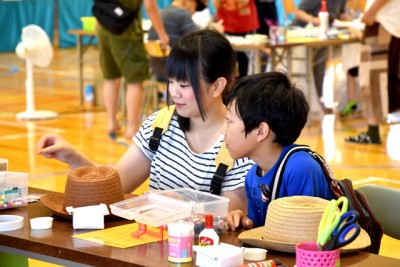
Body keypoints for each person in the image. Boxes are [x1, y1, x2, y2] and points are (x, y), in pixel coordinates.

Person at [37, 29, 254, 212]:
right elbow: (114, 187)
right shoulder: (160, 125)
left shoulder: (240, 141)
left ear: (217, 86)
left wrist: (182, 203)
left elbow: (230, 217)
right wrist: (73, 157)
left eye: (184, 85)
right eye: (171, 82)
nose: (174, 92)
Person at [224, 71, 333, 231]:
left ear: (261, 131)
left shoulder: (301, 169)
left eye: (229, 121)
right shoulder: (252, 176)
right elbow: (262, 234)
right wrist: (244, 222)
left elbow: (307, 237)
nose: (223, 131)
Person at [97, 0, 170, 140]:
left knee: (110, 77)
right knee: (135, 80)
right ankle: (132, 127)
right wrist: (162, 34)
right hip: (124, 29)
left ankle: (111, 122)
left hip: (102, 24)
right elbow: (150, 5)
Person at [346, 0, 400, 143]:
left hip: (383, 23)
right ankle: (372, 129)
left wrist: (370, 13)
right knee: (382, 78)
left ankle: (372, 130)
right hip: (389, 23)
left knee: (373, 79)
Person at [293, 0, 351, 112]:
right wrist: (313, 19)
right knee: (305, 70)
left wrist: (349, 19)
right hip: (303, 34)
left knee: (320, 69)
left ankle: (319, 102)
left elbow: (340, 14)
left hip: (324, 35)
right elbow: (298, 12)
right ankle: (302, 103)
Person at [212, 0, 259, 78]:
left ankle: (245, 85)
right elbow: (216, 4)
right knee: (225, 57)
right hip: (224, 24)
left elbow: (244, 1)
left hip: (245, 24)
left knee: (245, 58)